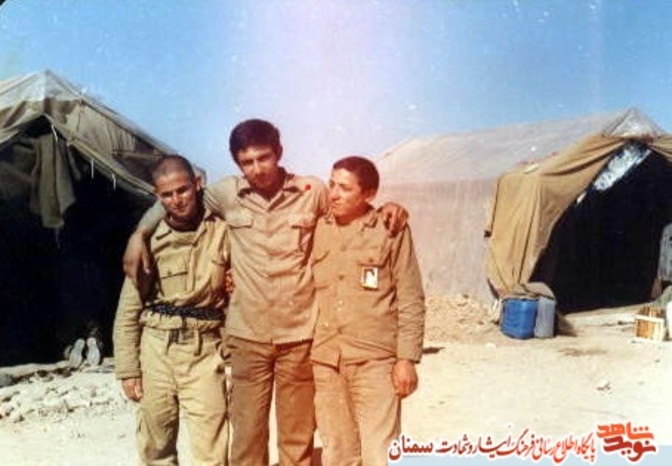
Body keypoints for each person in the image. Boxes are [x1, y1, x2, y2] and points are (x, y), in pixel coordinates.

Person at [123, 119, 408, 466]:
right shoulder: (225, 194)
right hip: (248, 339)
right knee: (247, 438)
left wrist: (386, 209)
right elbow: (175, 197)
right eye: (247, 162)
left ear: (279, 152)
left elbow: (352, 209)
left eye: (264, 157)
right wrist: (140, 232)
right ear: (237, 164)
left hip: (299, 338)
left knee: (296, 439)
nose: (257, 168)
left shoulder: (312, 191)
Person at [113, 155, 230, 466]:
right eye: (167, 194)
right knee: (156, 448)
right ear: (157, 196)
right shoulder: (149, 242)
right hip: (156, 351)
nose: (177, 200)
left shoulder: (223, 231)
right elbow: (128, 310)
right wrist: (128, 369)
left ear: (197, 184)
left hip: (205, 351)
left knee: (213, 451)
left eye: (183, 190)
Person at [310, 156, 426, 466]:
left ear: (369, 194)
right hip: (327, 361)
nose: (334, 194)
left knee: (380, 453)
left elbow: (410, 298)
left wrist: (406, 359)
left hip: (375, 362)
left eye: (345, 188)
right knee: (337, 454)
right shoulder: (317, 227)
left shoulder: (391, 229)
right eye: (332, 184)